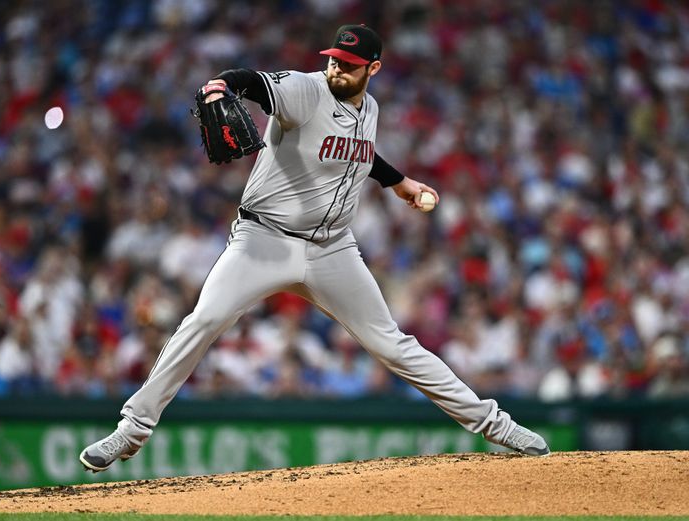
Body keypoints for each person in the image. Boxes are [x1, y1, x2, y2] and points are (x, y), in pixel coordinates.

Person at [80, 24, 549, 473]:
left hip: (333, 250)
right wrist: (221, 86)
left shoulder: (371, 110)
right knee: (204, 319)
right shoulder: (306, 89)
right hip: (264, 240)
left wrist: (399, 182)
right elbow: (254, 83)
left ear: (374, 69)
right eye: (334, 60)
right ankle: (131, 428)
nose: (336, 71)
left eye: (349, 65)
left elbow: (359, 153)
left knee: (394, 345)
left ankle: (496, 425)